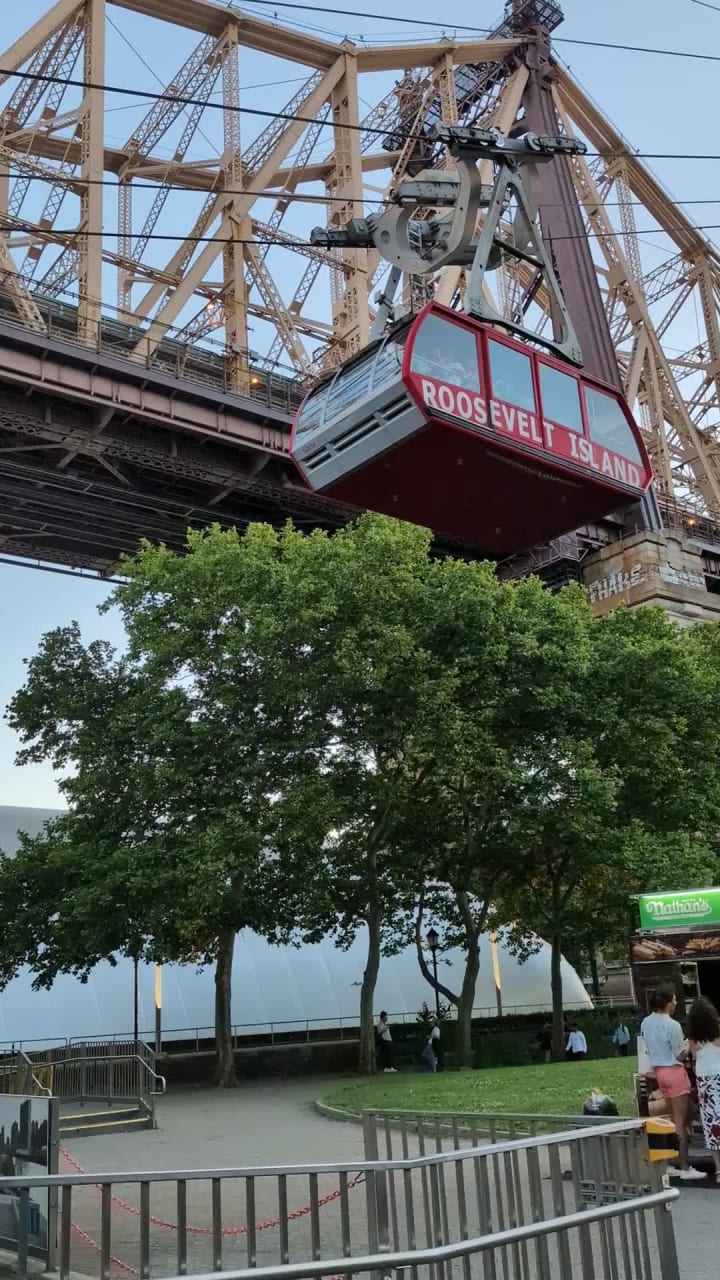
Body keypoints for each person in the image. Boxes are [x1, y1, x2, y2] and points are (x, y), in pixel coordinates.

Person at [640, 985, 704, 1181]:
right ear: (667, 1003)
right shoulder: (673, 1025)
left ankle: (671, 1161)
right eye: (674, 1000)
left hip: (660, 1072)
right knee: (678, 1121)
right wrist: (688, 1044)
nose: (676, 1003)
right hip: (675, 1072)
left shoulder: (646, 1022)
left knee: (690, 1110)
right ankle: (684, 1166)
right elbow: (679, 1054)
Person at [687, 996, 720, 1184]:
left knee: (711, 1125)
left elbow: (693, 1058)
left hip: (705, 1083)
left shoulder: (693, 1039)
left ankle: (718, 1170)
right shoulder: (718, 1035)